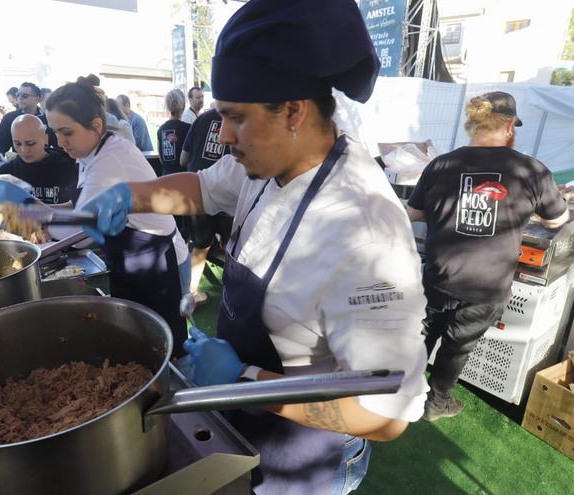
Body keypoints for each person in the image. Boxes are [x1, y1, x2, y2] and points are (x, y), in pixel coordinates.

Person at [74, 1, 429, 493]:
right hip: (247, 421)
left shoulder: (364, 236)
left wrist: (243, 378)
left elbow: (383, 414)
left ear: (293, 111)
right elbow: (199, 187)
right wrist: (128, 194)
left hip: (309, 451)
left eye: (235, 118)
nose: (223, 134)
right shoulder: (265, 162)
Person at [0, 78, 191, 354]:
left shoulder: (109, 162)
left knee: (163, 347)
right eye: (55, 132)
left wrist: (31, 210)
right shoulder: (94, 151)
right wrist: (39, 207)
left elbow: (81, 233)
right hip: (135, 259)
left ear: (96, 125)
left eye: (67, 133)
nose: (60, 142)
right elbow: (80, 205)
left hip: (158, 265)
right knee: (139, 342)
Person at [406, 92, 569, 422]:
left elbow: (413, 212)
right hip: (487, 286)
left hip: (440, 275)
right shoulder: (530, 171)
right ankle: (437, 402)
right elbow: (557, 219)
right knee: (458, 345)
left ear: (472, 124)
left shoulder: (441, 164)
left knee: (420, 334)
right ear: (509, 126)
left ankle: (402, 391)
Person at [0, 114, 78, 241]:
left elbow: (77, 208)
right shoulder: (7, 172)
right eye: (17, 143)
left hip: (62, 242)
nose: (24, 150)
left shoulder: (68, 167)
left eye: (31, 143)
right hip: (22, 243)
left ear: (45, 138)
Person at [179, 104, 232, 303]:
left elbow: (183, 159)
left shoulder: (200, 119)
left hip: (199, 193)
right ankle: (231, 295)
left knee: (200, 246)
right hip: (226, 195)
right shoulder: (240, 116)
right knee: (231, 247)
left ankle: (191, 292)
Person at [0, 82, 58, 158]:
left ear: (37, 99)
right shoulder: (9, 118)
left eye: (25, 96)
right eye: (18, 95)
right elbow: (1, 145)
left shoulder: (47, 118)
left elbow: (58, 145)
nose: (20, 98)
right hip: (20, 165)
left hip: (45, 165)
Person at [158, 89, 191, 176]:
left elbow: (161, 159)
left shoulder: (161, 129)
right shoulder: (189, 128)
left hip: (165, 177)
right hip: (183, 177)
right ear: (183, 106)